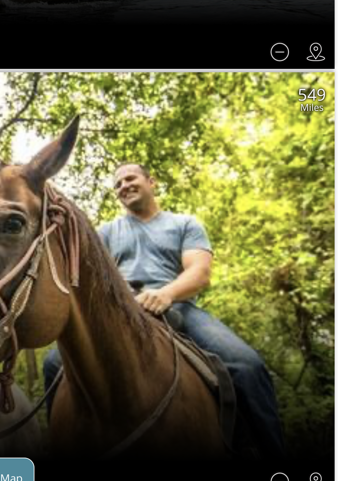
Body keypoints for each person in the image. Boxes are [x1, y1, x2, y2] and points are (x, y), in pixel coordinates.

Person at [43, 163, 284, 458]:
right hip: (121, 313)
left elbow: (200, 273)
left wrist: (166, 293)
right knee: (53, 363)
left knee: (246, 365)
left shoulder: (184, 224)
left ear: (151, 181)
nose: (123, 186)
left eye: (130, 178)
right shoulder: (105, 233)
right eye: (118, 184)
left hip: (178, 306)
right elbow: (89, 279)